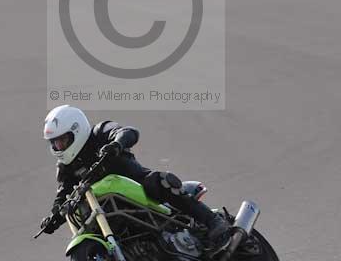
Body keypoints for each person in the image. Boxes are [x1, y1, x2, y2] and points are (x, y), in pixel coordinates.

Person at [39, 105, 229, 247]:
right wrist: (53, 217)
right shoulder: (66, 166)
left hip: (138, 184)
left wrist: (117, 144)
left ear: (76, 130)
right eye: (55, 143)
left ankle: (212, 221)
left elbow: (128, 132)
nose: (59, 147)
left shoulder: (99, 132)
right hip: (106, 203)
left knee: (158, 181)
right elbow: (63, 193)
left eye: (62, 141)